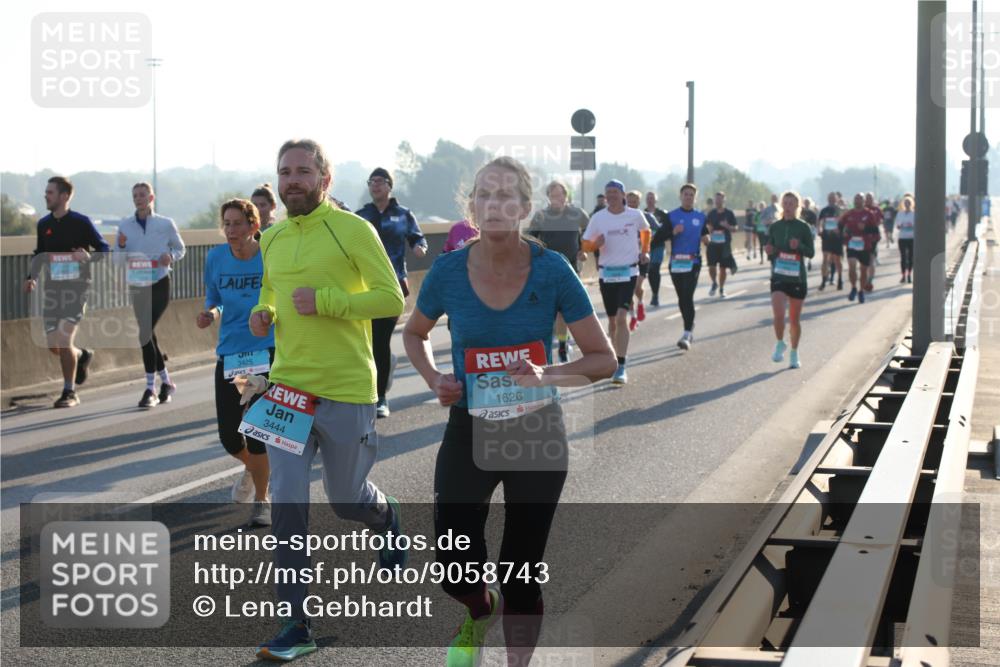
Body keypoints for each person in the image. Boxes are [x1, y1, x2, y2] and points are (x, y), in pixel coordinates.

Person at [402, 156, 616, 667]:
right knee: (454, 567)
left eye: (505, 196)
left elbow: (603, 359)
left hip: (535, 432)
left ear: (523, 207)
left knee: (521, 571)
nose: (493, 204)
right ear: (472, 207)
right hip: (469, 429)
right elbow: (414, 333)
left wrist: (547, 374)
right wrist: (435, 379)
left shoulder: (553, 269)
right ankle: (481, 608)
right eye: (484, 194)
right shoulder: (448, 271)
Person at [248, 140, 406, 662]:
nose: (292, 180)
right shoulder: (271, 236)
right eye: (284, 172)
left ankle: (384, 516)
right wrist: (264, 313)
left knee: (344, 499)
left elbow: (391, 298)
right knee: (288, 507)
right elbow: (270, 291)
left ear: (325, 179)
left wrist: (328, 302)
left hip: (347, 388)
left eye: (303, 171)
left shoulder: (353, 230)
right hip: (288, 388)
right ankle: (296, 624)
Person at [197, 198, 273, 526]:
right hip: (231, 354)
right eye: (226, 224)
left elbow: (280, 294)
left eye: (238, 223)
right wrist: (210, 313)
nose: (231, 230)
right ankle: (255, 470)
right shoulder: (216, 258)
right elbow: (215, 298)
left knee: (256, 431)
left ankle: (262, 499)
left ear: (254, 225)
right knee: (230, 435)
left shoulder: (269, 255)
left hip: (263, 350)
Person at [23, 176, 109, 408]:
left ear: (64, 196)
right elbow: (40, 254)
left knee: (63, 339)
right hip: (52, 292)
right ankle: (81, 355)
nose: (46, 196)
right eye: (46, 192)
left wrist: (88, 257)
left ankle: (69, 392)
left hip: (76, 291)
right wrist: (31, 277)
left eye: (50, 192)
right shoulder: (44, 224)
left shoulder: (81, 222)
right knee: (54, 345)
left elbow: (104, 249)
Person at [355, 167, 428, 418]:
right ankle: (379, 375)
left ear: (389, 186)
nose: (375, 185)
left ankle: (380, 398)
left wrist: (419, 247)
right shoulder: (361, 216)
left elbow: (418, 238)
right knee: (367, 342)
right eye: (371, 181)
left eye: (380, 181)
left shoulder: (403, 214)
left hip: (393, 285)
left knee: (380, 340)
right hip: (364, 286)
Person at [114, 182, 186, 408]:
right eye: (135, 195)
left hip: (160, 283)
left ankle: (150, 389)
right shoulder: (125, 226)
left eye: (142, 195)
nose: (139, 198)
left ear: (151, 198)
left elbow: (180, 248)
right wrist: (122, 247)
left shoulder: (165, 223)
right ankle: (166, 382)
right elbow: (117, 260)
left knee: (145, 332)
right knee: (148, 334)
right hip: (138, 284)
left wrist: (170, 257)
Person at [581, 180, 650, 383]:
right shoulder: (598, 218)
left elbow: (646, 231)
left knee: (621, 317)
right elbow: (585, 244)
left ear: (622, 195)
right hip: (606, 274)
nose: (611, 195)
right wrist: (595, 244)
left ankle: (621, 365)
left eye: (614, 192)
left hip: (629, 272)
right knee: (612, 321)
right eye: (608, 192)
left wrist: (645, 251)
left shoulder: (635, 215)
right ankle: (613, 359)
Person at [527, 180, 591, 362]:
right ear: (548, 197)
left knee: (563, 311)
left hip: (571, 268)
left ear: (566, 195)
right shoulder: (541, 216)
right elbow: (530, 240)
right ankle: (552, 345)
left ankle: (562, 346)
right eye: (553, 195)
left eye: (559, 195)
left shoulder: (577, 213)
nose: (557, 198)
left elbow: (589, 232)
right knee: (549, 311)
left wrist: (583, 249)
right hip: (547, 269)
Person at [652, 183, 710, 350]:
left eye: (691, 195)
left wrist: (707, 240)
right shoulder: (671, 216)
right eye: (686, 194)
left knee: (687, 296)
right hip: (676, 263)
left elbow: (705, 235)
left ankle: (687, 333)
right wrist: (673, 232)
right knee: (681, 298)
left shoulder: (700, 217)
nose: (688, 197)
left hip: (693, 262)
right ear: (681, 196)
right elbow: (657, 239)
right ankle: (689, 324)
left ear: (695, 198)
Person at [765, 191, 815, 369]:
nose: (787, 207)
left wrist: (799, 246)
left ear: (797, 206)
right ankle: (780, 342)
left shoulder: (803, 227)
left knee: (794, 320)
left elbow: (811, 253)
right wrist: (770, 251)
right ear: (781, 205)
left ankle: (794, 352)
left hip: (797, 278)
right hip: (779, 276)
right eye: (785, 203)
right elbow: (771, 250)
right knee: (778, 315)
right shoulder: (775, 227)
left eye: (791, 204)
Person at [841, 193, 880, 304]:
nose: (857, 201)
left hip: (865, 245)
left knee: (863, 270)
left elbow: (875, 231)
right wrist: (843, 234)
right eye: (856, 199)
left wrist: (865, 228)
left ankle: (861, 290)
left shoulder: (869, 214)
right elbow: (840, 225)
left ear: (864, 201)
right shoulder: (849, 213)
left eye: (860, 199)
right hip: (852, 244)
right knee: (851, 266)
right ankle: (853, 287)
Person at [626, 190, 656, 330]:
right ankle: (632, 316)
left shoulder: (646, 216)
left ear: (639, 202)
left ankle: (640, 303)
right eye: (629, 202)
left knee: (637, 286)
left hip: (642, 257)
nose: (632, 204)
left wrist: (646, 241)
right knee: (629, 290)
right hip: (627, 257)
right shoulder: (622, 217)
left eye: (634, 202)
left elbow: (657, 230)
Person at [705, 191, 737, 298]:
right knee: (711, 266)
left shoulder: (729, 213)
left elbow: (735, 228)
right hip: (713, 244)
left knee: (723, 268)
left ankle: (722, 289)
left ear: (724, 200)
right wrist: (709, 230)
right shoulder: (711, 213)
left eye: (720, 199)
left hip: (724, 245)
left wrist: (728, 226)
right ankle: (714, 283)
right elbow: (707, 227)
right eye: (716, 199)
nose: (718, 201)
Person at [644, 191, 669, 307]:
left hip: (659, 246)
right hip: (647, 247)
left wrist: (659, 236)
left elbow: (666, 230)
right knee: (650, 271)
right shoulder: (642, 214)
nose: (650, 200)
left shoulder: (662, 214)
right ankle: (654, 293)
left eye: (652, 198)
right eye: (648, 198)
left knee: (655, 268)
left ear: (656, 200)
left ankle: (655, 295)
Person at [817, 192, 844, 291]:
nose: (831, 200)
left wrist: (840, 230)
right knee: (825, 259)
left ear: (837, 199)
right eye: (830, 198)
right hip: (826, 237)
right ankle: (823, 280)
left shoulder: (840, 210)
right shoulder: (824, 210)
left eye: (833, 198)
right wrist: (819, 230)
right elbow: (819, 222)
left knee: (837, 260)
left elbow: (845, 224)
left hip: (837, 238)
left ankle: (840, 279)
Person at [896, 195, 915, 283]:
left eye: (909, 203)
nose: (907, 204)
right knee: (903, 257)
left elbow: (916, 225)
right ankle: (903, 275)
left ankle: (909, 274)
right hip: (902, 237)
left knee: (911, 257)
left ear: (911, 204)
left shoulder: (914, 214)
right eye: (906, 203)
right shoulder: (900, 213)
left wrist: (911, 225)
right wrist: (901, 225)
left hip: (911, 238)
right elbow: (897, 225)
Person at [800, 197, 818, 271]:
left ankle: (809, 261)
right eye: (805, 202)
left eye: (808, 202)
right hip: (801, 232)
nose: (806, 204)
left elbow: (815, 223)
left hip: (810, 232)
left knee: (809, 246)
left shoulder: (812, 213)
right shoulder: (801, 211)